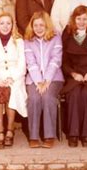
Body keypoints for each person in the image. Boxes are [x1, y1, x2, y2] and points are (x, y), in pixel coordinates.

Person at [61, 6, 87, 148]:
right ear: (74, 19)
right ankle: (73, 133)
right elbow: (64, 61)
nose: (81, 22)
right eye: (78, 19)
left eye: (85, 19)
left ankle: (86, 134)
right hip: (74, 75)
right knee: (73, 94)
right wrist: (73, 74)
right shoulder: (67, 33)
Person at [0, 12, 27, 149]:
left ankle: (10, 130)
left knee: (12, 91)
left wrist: (12, 78)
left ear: (12, 25)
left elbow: (22, 65)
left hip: (15, 77)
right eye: (2, 23)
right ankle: (0, 129)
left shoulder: (19, 41)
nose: (5, 26)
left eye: (8, 23)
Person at [24, 11, 64, 148]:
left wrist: (46, 80)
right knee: (34, 98)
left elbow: (56, 59)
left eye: (42, 25)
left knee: (47, 97)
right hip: (34, 79)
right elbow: (30, 63)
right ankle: (33, 136)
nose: (39, 28)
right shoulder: (28, 40)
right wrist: (39, 81)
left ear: (47, 26)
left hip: (54, 77)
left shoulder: (56, 37)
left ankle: (49, 135)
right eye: (35, 25)